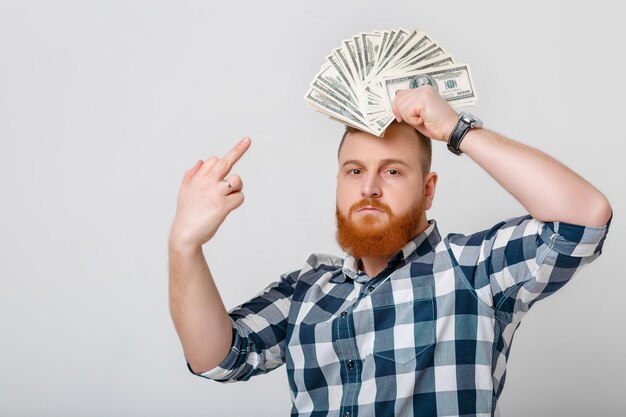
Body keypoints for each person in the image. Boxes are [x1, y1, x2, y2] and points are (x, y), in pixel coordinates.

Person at [168, 85, 612, 417]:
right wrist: (184, 245)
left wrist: (457, 130)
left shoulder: (471, 271)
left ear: (428, 188)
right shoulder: (306, 290)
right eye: (354, 170)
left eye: (393, 171)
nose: (369, 188)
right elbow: (218, 358)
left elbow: (584, 220)